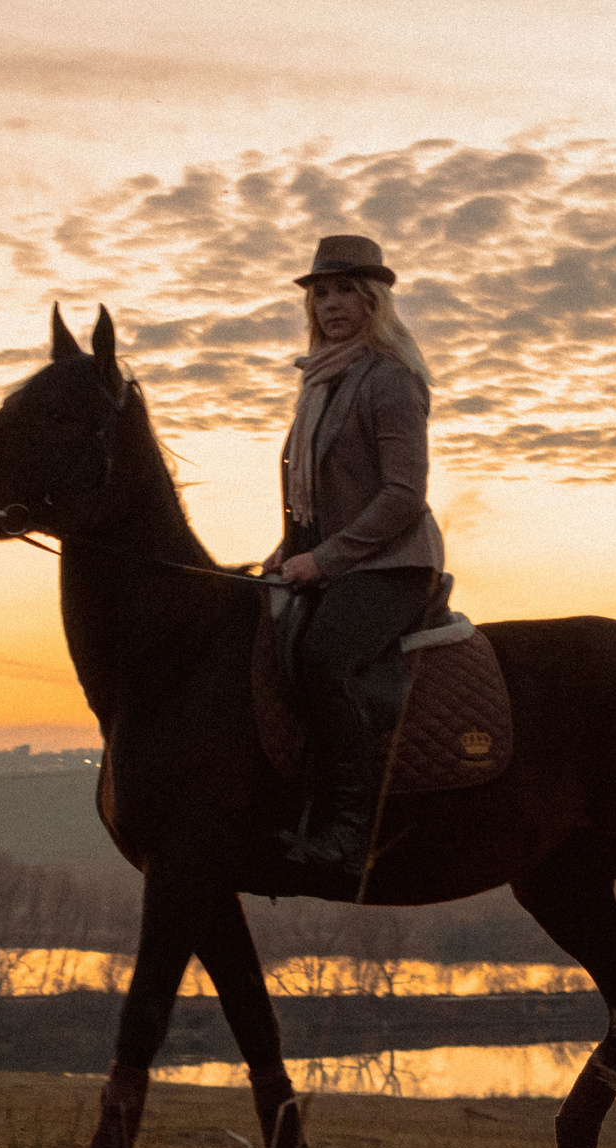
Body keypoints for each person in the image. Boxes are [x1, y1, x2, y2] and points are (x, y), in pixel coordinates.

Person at [262, 234, 445, 874]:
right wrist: (285, 554)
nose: (331, 303)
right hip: (332, 561)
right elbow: (313, 501)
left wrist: (325, 560)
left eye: (346, 290)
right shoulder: (319, 383)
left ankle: (349, 833)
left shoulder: (390, 379)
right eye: (321, 292)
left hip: (392, 566)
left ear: (373, 301)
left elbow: (402, 494)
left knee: (323, 657)